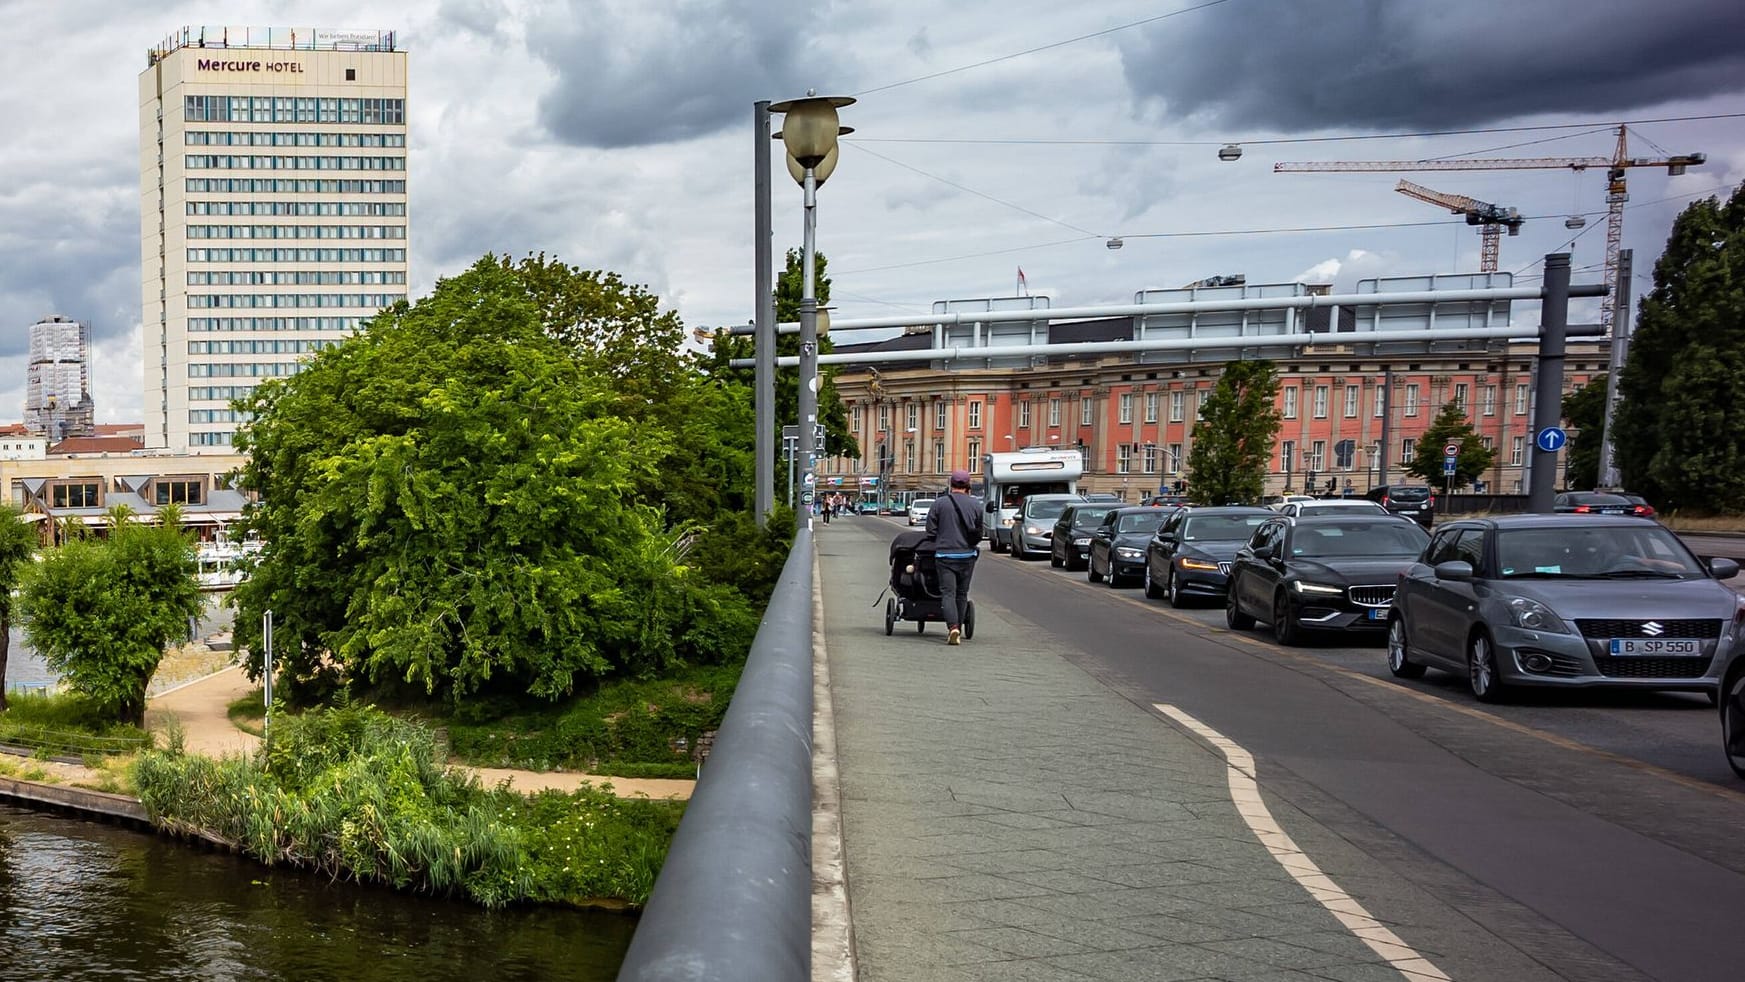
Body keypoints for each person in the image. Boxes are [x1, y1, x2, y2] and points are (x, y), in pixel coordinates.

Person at [924, 469, 985, 645]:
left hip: (945, 555)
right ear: (968, 486)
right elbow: (979, 530)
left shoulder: (939, 504)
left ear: (951, 485)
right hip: (967, 555)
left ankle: (953, 628)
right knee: (962, 593)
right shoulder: (975, 505)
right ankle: (959, 624)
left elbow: (931, 531)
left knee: (948, 593)